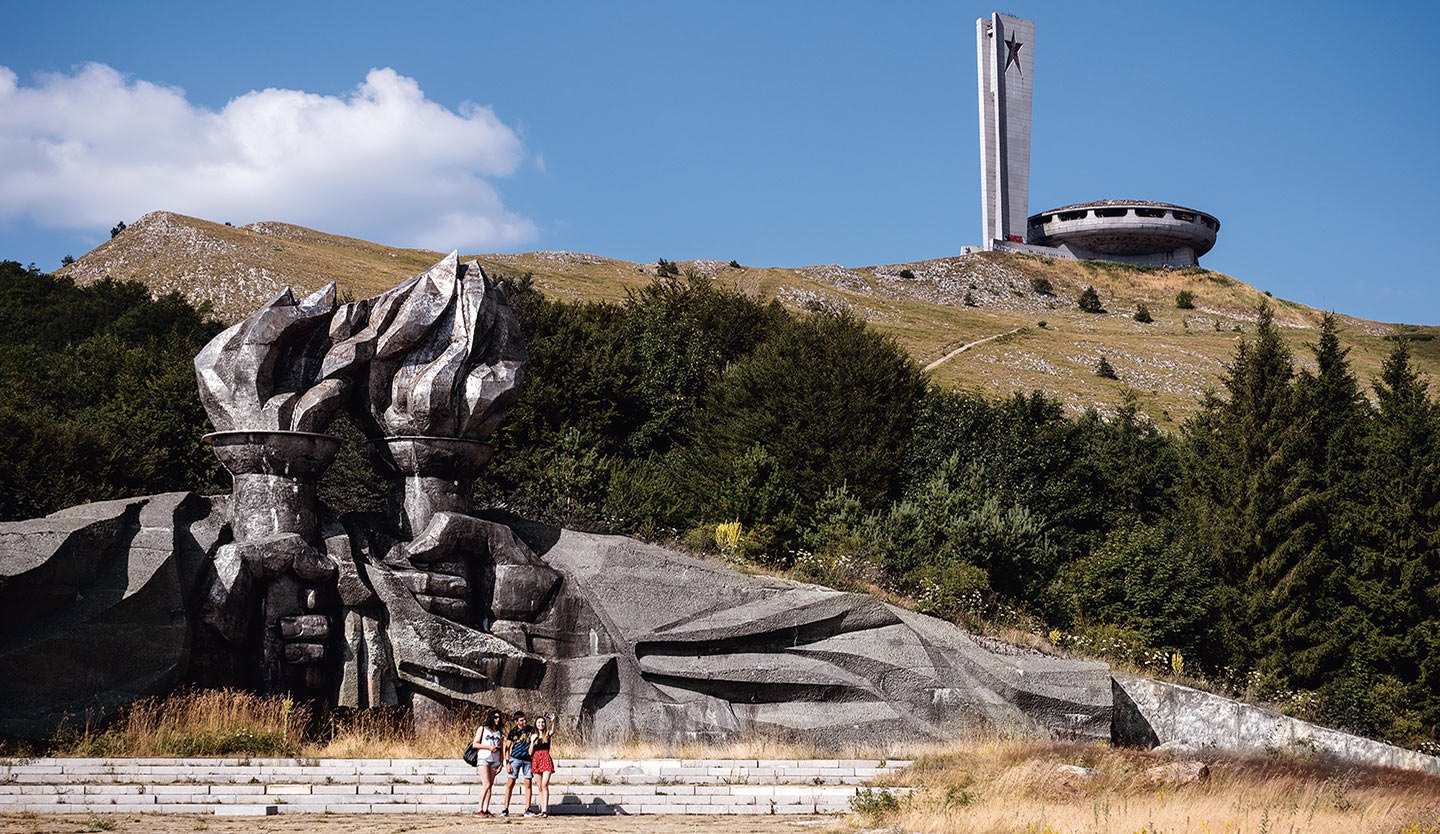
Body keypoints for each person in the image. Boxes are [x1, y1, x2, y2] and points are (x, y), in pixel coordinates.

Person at [471, 709, 505, 818]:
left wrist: (501, 763)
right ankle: (479, 809)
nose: (497, 719)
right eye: (495, 717)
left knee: (490, 786)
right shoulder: (482, 729)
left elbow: (502, 749)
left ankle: (486, 809)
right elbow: (475, 744)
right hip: (483, 758)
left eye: (499, 717)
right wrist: (488, 747)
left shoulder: (500, 733)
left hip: (494, 760)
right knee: (485, 784)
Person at [500, 710, 534, 817]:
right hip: (515, 759)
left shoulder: (531, 730)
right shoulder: (513, 731)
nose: (524, 722)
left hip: (528, 759)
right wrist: (507, 762)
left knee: (528, 783)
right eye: (521, 720)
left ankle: (527, 808)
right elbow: (507, 747)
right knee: (510, 783)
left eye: (525, 720)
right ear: (516, 721)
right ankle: (505, 808)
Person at [530, 713, 556, 818]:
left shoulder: (547, 734)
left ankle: (545, 810)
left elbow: (553, 730)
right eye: (539, 722)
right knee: (539, 787)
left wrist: (553, 721)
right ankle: (542, 810)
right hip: (536, 759)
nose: (541, 724)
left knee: (544, 785)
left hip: (545, 758)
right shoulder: (533, 736)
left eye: (542, 722)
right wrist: (532, 741)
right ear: (536, 724)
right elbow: (530, 752)